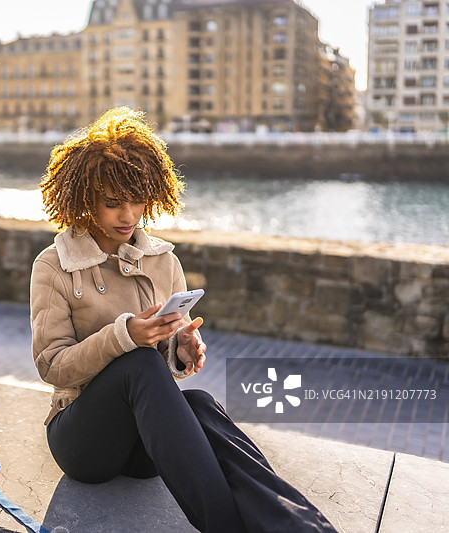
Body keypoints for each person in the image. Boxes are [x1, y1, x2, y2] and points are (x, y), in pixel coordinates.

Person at [29, 107, 337, 533]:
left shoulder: (163, 261)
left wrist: (182, 349)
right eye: (113, 203)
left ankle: (301, 525)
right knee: (138, 362)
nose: (128, 216)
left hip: (143, 444)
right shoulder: (54, 265)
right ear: (85, 200)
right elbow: (51, 365)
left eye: (137, 201)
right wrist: (125, 336)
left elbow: (168, 365)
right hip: (82, 442)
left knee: (201, 403)